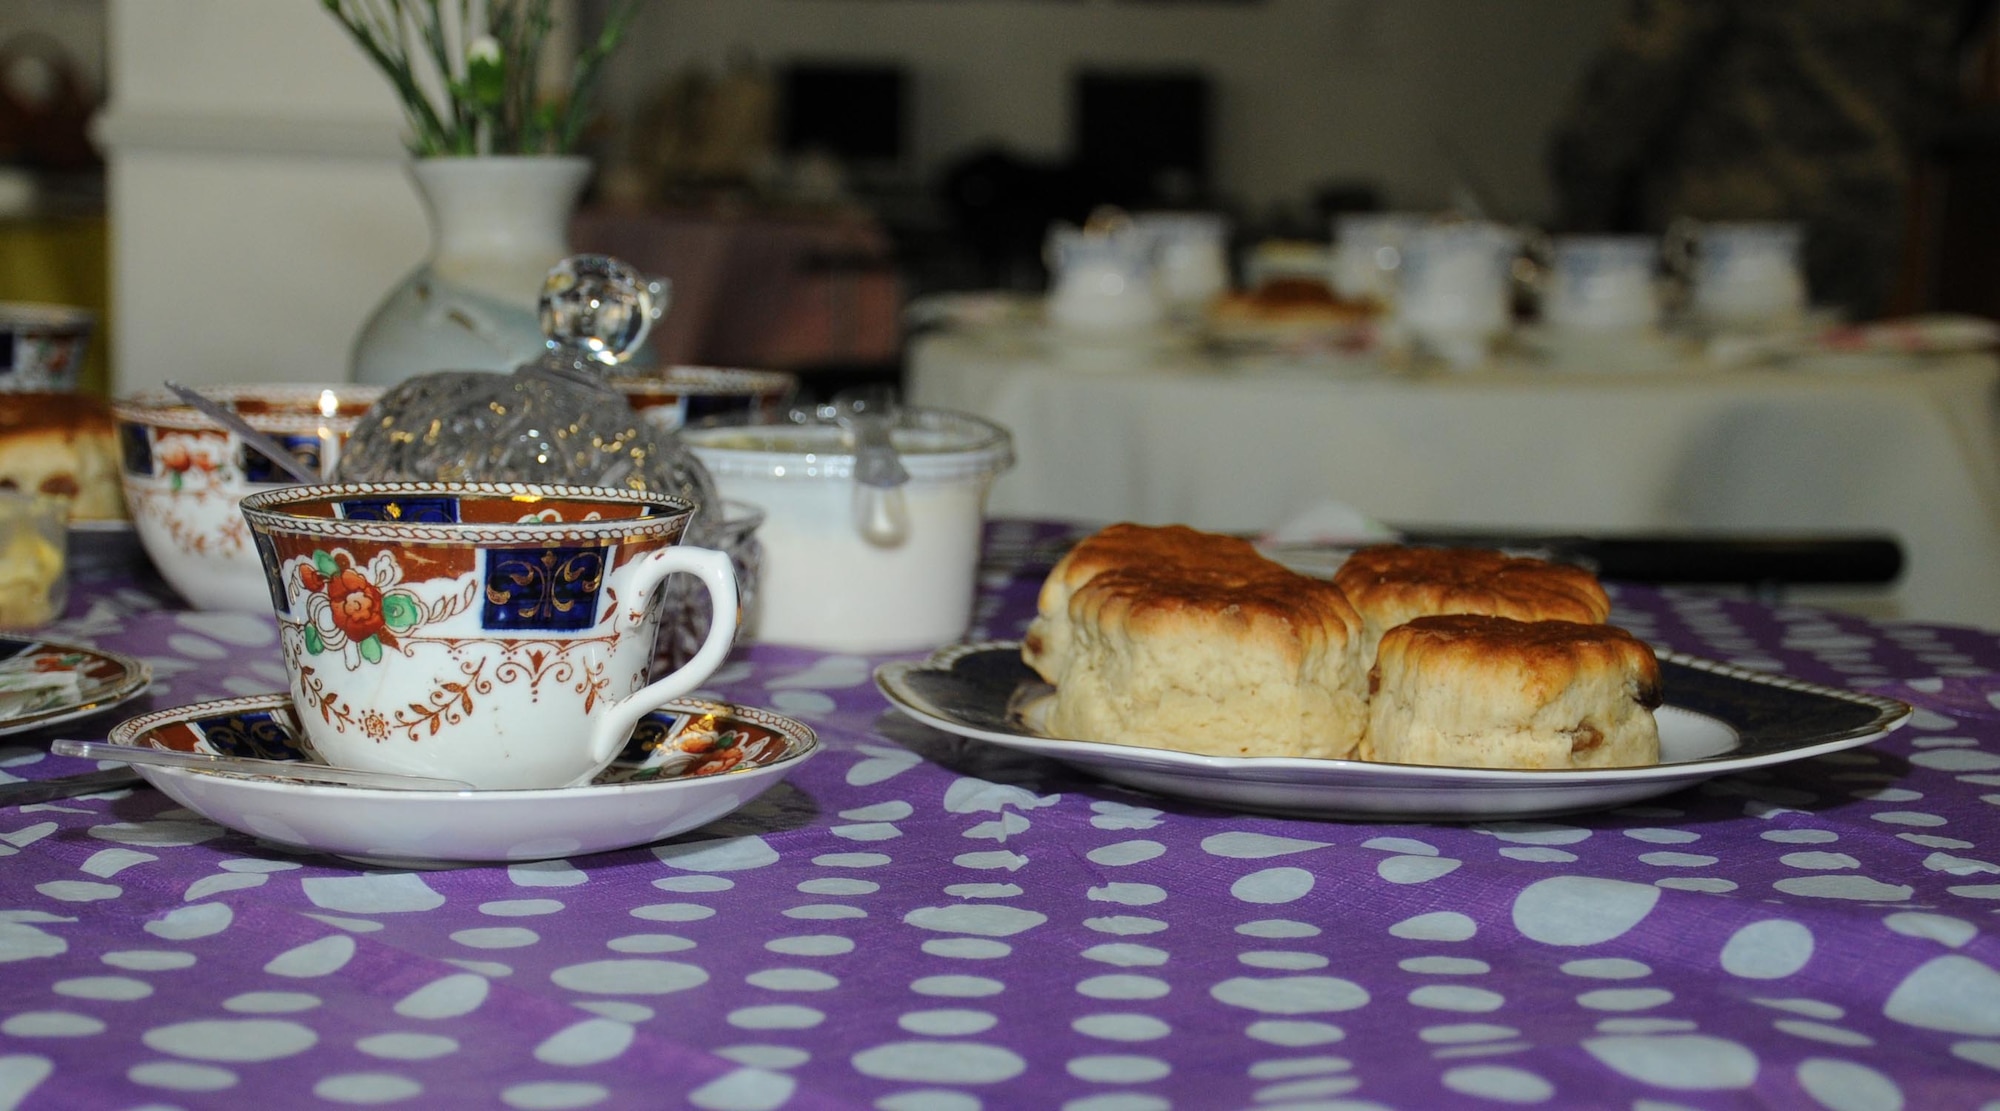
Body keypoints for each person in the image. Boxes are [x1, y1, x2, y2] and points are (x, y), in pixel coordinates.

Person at [1548, 0, 1982, 319]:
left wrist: (1586, 205)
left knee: (1706, 418)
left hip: (1730, 217)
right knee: (1829, 415)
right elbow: (1934, 78)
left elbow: (1642, 67)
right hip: (1859, 209)